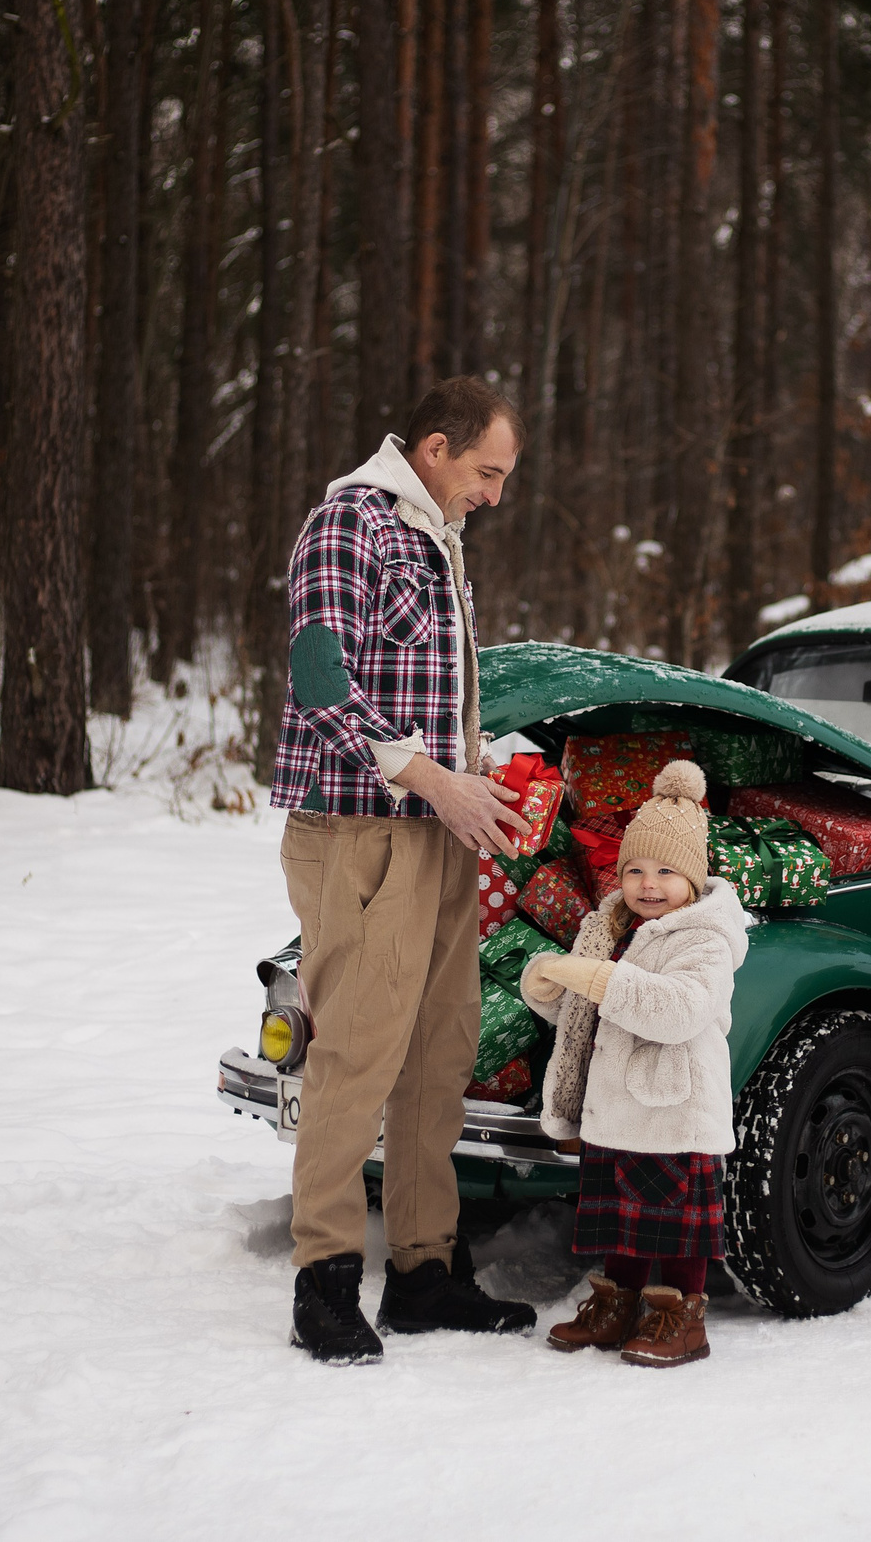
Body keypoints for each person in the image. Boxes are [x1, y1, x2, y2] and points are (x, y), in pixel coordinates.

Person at [272, 377, 540, 1365]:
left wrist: (479, 787)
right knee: (357, 1052)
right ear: (434, 448)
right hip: (360, 833)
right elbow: (315, 676)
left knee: (439, 1049)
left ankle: (425, 1273)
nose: (494, 494)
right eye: (486, 472)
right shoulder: (350, 523)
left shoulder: (434, 535)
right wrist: (432, 777)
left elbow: (418, 686)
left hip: (433, 830)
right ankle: (325, 1279)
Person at [522, 761, 746, 1368]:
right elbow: (587, 1014)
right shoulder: (610, 928)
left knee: (676, 1227)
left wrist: (593, 977)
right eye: (635, 870)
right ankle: (618, 1302)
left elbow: (676, 1011)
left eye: (666, 871)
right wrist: (550, 988)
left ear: (694, 881)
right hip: (617, 1104)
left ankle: (682, 1313)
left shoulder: (703, 938)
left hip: (674, 1107)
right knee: (623, 1223)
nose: (648, 884)